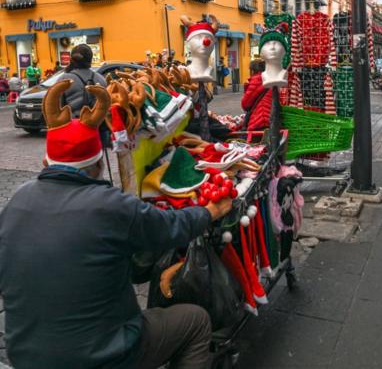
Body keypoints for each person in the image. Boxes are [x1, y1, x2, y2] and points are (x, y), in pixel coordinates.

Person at [0, 80, 233, 368]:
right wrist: (210, 211)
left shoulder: (17, 201)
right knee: (195, 322)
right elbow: (173, 227)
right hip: (106, 356)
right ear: (99, 165)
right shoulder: (110, 204)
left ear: (47, 164)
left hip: (26, 356)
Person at [60, 44, 107, 116]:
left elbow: (57, 108)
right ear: (90, 59)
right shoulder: (101, 79)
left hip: (73, 124)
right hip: (97, 124)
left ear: (72, 59)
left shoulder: (64, 80)